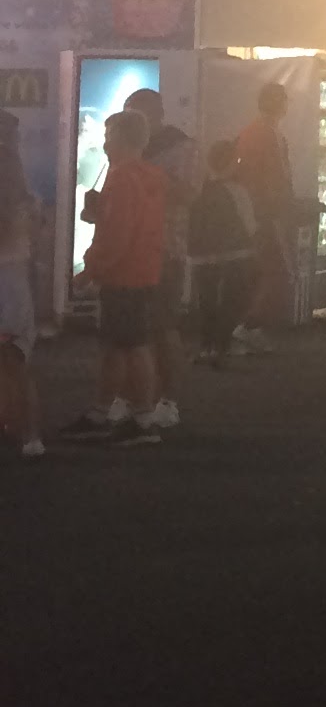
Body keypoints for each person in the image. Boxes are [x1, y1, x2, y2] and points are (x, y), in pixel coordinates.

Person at [66, 110, 169, 444]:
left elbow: (117, 234)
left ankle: (142, 420)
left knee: (132, 346)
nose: (105, 143)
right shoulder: (149, 175)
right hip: (142, 269)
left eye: (109, 136)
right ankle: (107, 413)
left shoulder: (122, 178)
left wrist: (90, 269)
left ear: (122, 138)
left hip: (123, 275)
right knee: (121, 344)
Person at [123, 88, 193, 423]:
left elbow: (189, 193)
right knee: (134, 329)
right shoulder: (131, 150)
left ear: (155, 115)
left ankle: (168, 400)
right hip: (132, 246)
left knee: (163, 326)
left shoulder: (180, 147)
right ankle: (137, 397)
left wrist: (146, 179)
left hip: (165, 247)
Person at [232, 81, 298, 342]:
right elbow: (276, 176)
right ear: (277, 103)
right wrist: (283, 207)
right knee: (278, 272)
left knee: (267, 271)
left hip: (257, 211)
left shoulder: (253, 131)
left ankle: (253, 327)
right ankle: (250, 326)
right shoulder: (267, 134)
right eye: (285, 99)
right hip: (268, 212)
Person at [187, 139, 258, 375]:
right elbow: (249, 225)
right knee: (231, 301)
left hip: (201, 255)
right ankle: (221, 347)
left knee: (206, 300)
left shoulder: (199, 189)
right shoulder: (237, 191)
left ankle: (206, 347)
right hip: (235, 254)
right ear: (232, 162)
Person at [0, 107, 46, 456]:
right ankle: (25, 432)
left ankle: (26, 432)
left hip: (6, 282)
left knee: (10, 361)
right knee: (14, 360)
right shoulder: (25, 192)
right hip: (16, 280)